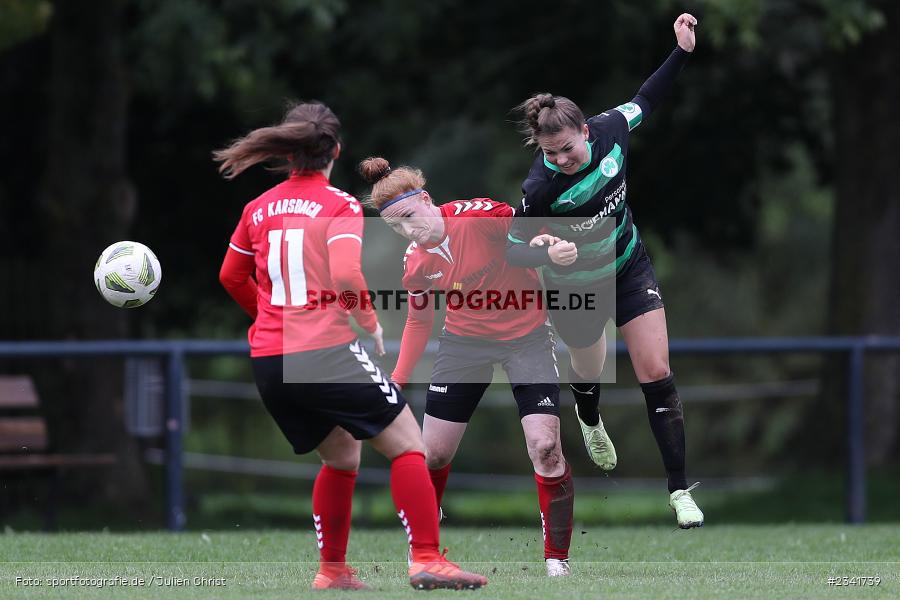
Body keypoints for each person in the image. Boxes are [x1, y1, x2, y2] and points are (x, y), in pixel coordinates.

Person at [214, 101, 488, 590]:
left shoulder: (257, 208)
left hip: (269, 361)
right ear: (335, 150)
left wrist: (271, 318)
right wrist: (368, 320)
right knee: (408, 444)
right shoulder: (337, 204)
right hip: (322, 351)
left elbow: (231, 276)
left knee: (341, 456)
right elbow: (344, 273)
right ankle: (427, 559)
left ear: (289, 152)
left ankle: (333, 571)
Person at [506, 14, 704, 528]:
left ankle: (679, 491)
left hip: (628, 267)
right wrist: (548, 253)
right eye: (551, 154)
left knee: (655, 371)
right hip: (578, 289)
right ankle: (589, 417)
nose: (562, 160)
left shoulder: (613, 129)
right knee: (588, 371)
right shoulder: (540, 190)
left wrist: (681, 51)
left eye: (568, 148)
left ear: (585, 131)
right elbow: (514, 251)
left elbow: (649, 97)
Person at [360, 156, 575, 576]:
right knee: (433, 454)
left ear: (425, 200)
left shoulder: (481, 216)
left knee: (545, 448)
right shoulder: (416, 262)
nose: (407, 230)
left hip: (527, 338)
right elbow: (419, 320)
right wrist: (399, 381)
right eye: (395, 226)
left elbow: (533, 231)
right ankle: (425, 548)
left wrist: (553, 247)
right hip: (464, 345)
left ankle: (557, 559)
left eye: (408, 217)